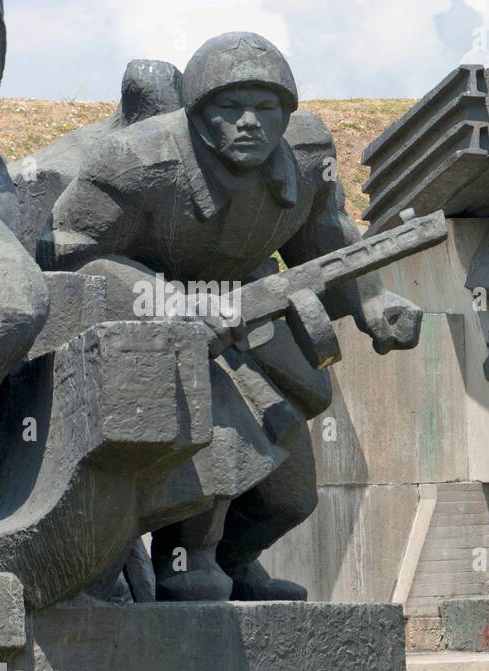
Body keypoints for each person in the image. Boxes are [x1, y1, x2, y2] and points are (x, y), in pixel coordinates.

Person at [47, 32, 423, 601]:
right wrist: (169, 304)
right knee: (215, 446)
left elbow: (323, 238)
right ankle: (186, 565)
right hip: (150, 324)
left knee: (291, 497)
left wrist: (372, 302)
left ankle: (232, 562)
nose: (250, 122)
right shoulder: (134, 161)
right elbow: (71, 251)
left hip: (248, 314)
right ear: (197, 113)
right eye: (230, 107)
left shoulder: (307, 153)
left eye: (267, 108)